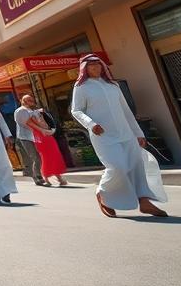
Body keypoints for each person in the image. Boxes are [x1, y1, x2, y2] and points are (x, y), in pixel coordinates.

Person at [71, 55, 168, 218]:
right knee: (118, 167)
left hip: (126, 133)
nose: (96, 68)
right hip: (103, 135)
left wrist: (138, 133)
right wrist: (91, 124)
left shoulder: (113, 85)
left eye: (98, 65)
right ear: (84, 69)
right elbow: (77, 110)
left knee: (137, 165)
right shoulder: (81, 87)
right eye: (91, 65)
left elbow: (126, 111)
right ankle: (103, 193)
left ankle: (144, 202)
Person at [14, 94, 50, 187]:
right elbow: (26, 123)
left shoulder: (32, 111)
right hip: (26, 137)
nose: (31, 101)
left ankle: (38, 175)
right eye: (28, 100)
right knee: (35, 157)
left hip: (35, 136)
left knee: (39, 156)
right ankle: (37, 177)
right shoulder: (21, 111)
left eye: (31, 99)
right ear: (23, 101)